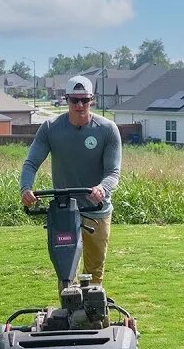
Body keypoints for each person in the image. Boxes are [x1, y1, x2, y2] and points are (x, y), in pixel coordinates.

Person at [20, 75, 122, 287]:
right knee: (66, 272)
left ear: (92, 100)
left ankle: (93, 315)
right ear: (66, 100)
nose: (80, 105)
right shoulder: (50, 128)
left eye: (85, 100)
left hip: (96, 209)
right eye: (74, 100)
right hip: (64, 211)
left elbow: (113, 172)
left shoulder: (107, 129)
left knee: (94, 271)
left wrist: (102, 188)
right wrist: (26, 188)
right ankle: (68, 316)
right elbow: (31, 163)